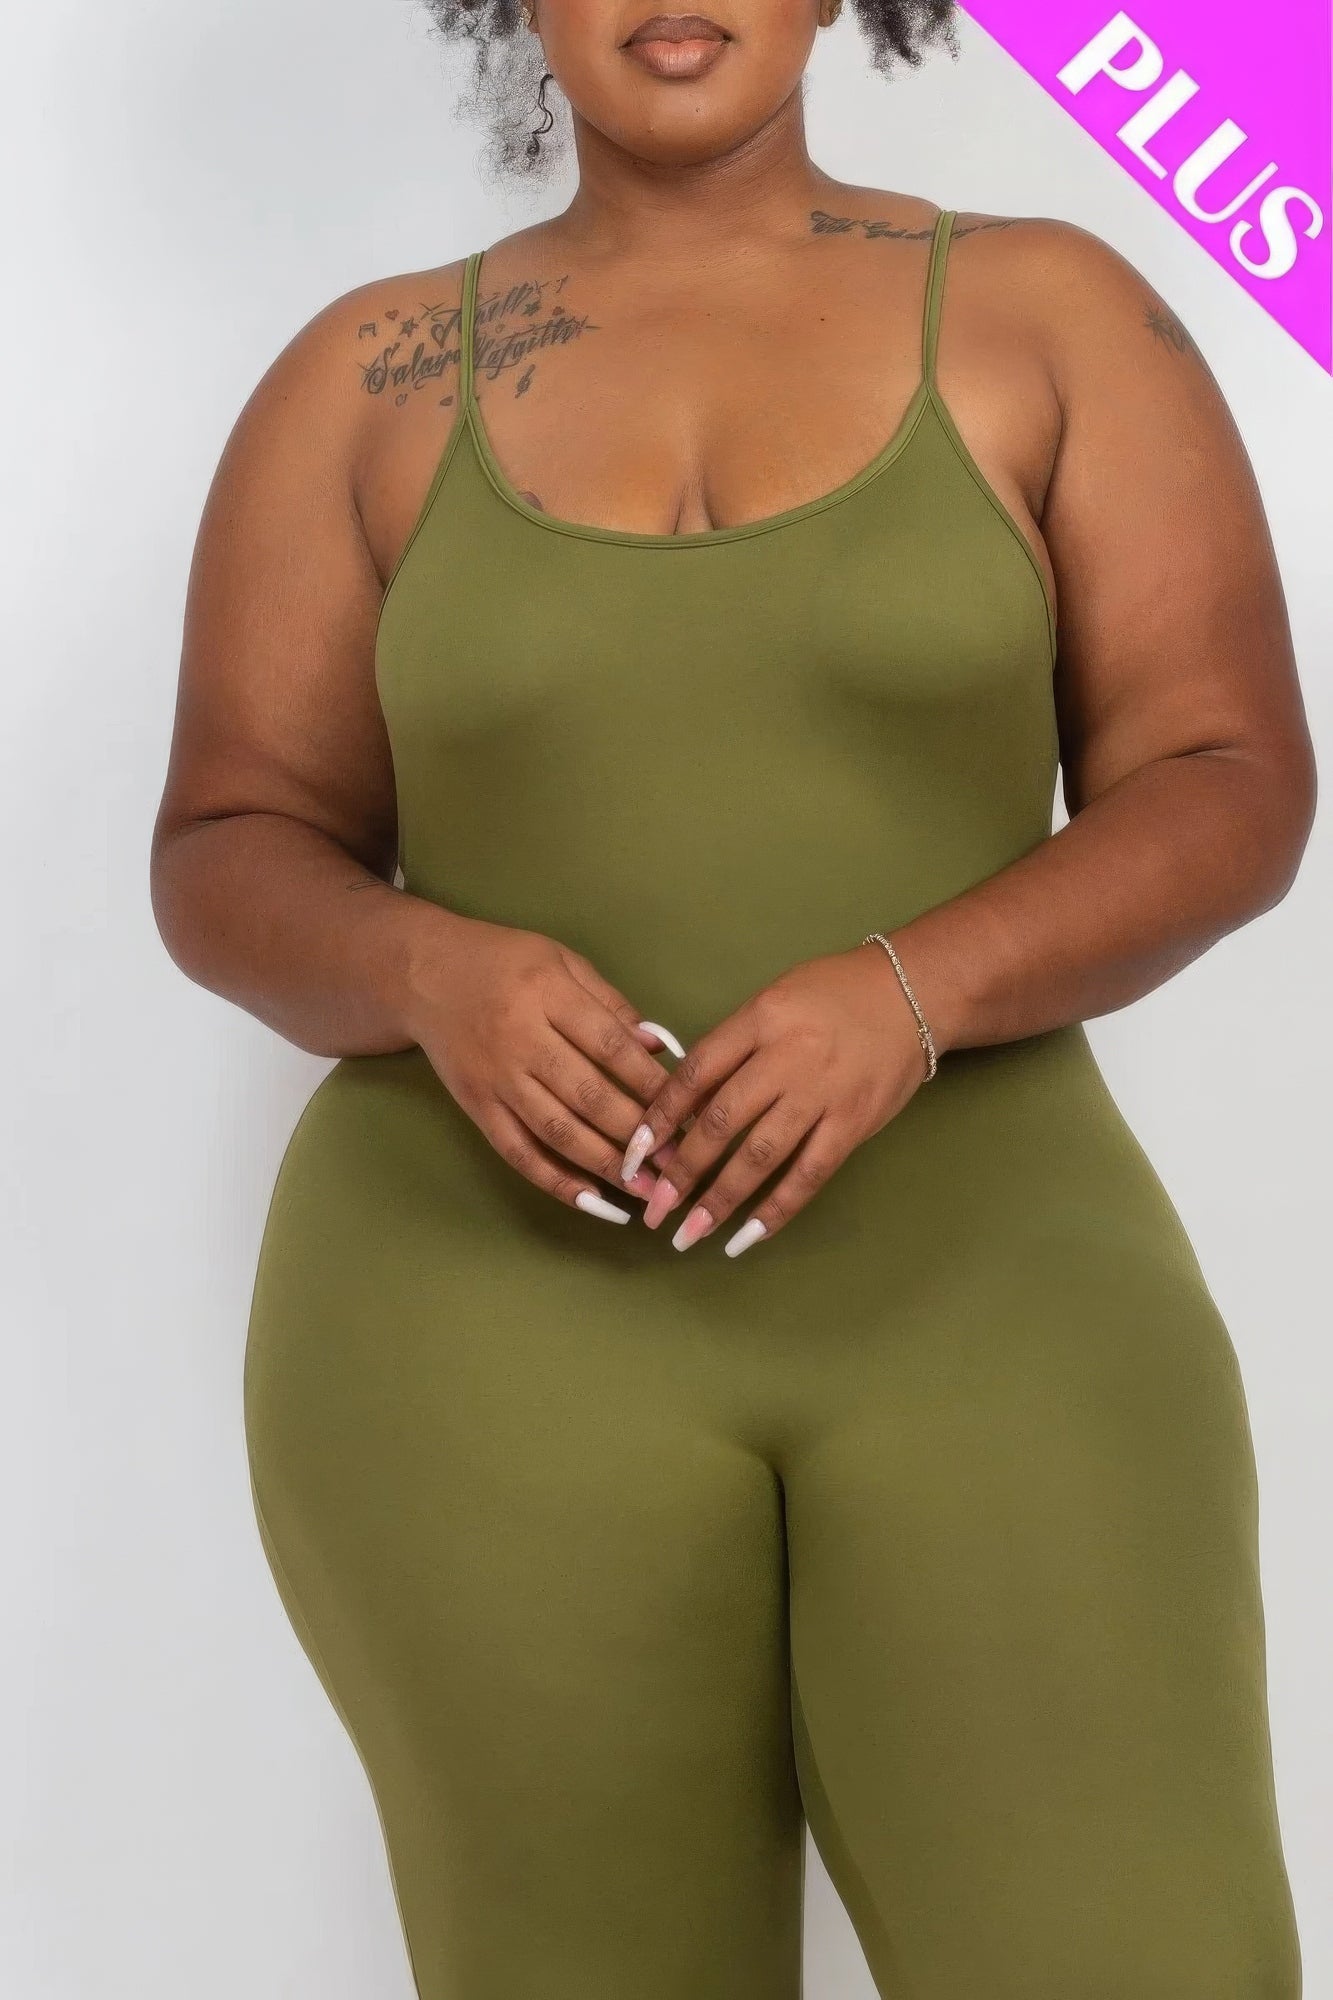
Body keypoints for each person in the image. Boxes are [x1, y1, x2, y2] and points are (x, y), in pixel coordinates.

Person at [149, 1, 1315, 1993]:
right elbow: (227, 840)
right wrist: (426, 965)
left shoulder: (1048, 313)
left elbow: (1226, 775)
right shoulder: (368, 377)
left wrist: (915, 989)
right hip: (475, 1323)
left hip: (992, 1282)